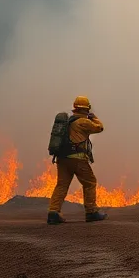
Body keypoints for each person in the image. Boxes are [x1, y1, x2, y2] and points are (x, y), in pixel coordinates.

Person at [48, 96, 108, 224]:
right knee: (90, 182)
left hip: (62, 159)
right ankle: (91, 212)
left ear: (75, 108)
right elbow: (99, 127)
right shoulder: (83, 122)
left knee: (62, 185)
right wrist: (94, 117)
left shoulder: (69, 122)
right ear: (87, 108)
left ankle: (53, 212)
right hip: (78, 159)